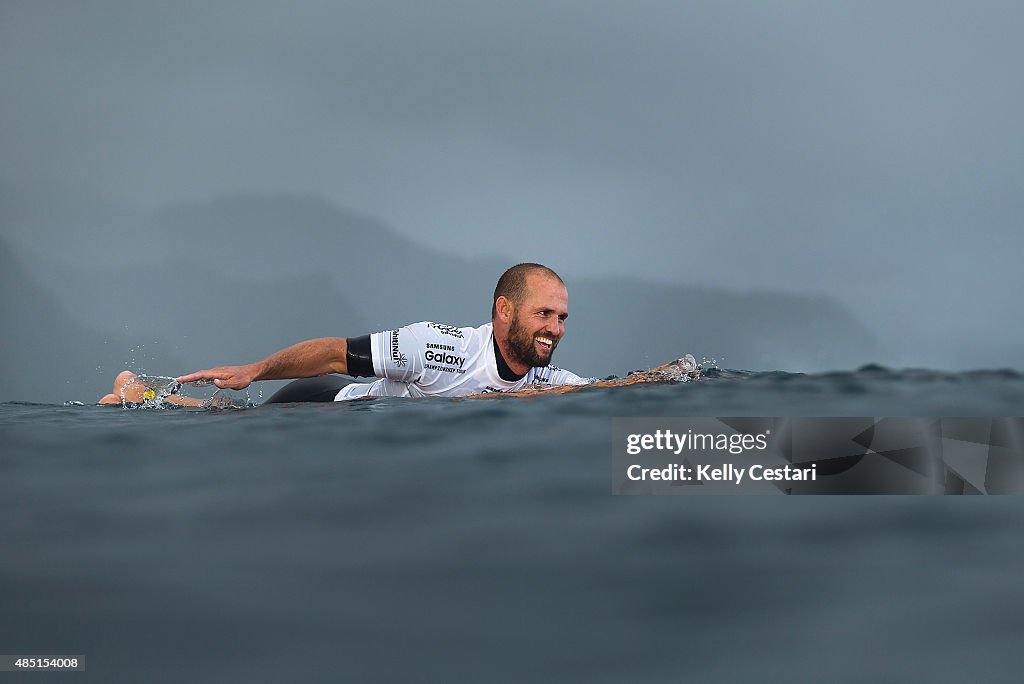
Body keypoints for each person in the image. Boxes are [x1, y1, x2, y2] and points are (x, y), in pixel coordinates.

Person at [99, 263, 698, 406]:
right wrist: (255, 370)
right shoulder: (438, 346)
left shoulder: (547, 379)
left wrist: (663, 378)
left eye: (563, 318)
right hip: (330, 407)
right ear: (504, 311)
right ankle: (142, 394)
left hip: (368, 435)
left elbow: (592, 392)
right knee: (229, 424)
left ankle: (137, 394)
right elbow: (336, 352)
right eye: (544, 314)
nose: (555, 329)